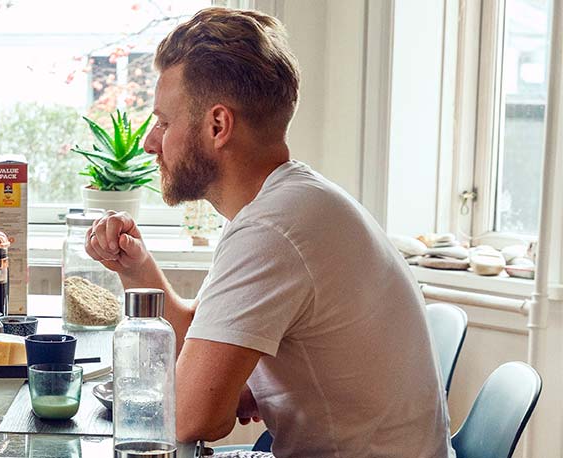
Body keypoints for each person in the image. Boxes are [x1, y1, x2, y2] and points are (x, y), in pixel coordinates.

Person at [84, 7, 452, 456]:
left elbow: (189, 419)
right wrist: (136, 268)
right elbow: (201, 333)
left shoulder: (274, 229)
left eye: (163, 121)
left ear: (218, 125)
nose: (149, 141)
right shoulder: (294, 202)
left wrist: (214, 395)